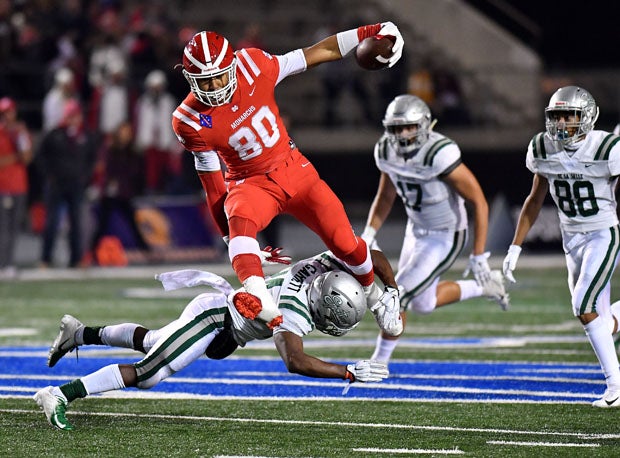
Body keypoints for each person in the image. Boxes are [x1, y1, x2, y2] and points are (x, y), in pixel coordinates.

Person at [171, 23, 404, 329]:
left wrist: (371, 30)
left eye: (219, 77)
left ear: (233, 64)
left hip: (293, 168)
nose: (214, 87)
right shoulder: (188, 120)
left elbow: (320, 51)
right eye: (205, 81)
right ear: (190, 79)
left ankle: (375, 296)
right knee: (237, 216)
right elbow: (213, 183)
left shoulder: (254, 64)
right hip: (250, 183)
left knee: (346, 244)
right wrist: (233, 241)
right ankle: (257, 297)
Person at [34, 249, 402, 430]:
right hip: (215, 319)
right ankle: (59, 394)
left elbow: (368, 253)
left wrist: (389, 291)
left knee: (154, 343)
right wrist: (347, 372)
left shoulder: (322, 265)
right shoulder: (293, 309)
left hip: (222, 317)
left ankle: (79, 333)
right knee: (151, 372)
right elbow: (295, 361)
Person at [361, 94, 510, 364]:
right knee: (424, 304)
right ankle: (486, 287)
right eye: (397, 128)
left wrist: (478, 255)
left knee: (400, 294)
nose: (403, 134)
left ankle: (379, 364)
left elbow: (478, 201)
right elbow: (386, 196)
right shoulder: (385, 150)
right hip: (415, 229)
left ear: (425, 126)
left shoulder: (438, 153)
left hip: (446, 234)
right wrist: (369, 232)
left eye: (409, 127)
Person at [502, 86, 620, 408]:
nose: (563, 122)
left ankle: (615, 387)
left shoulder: (607, 147)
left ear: (587, 117)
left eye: (570, 115)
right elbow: (535, 198)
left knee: (584, 305)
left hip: (601, 234)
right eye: (557, 116)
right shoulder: (542, 146)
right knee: (601, 322)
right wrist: (515, 247)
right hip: (571, 241)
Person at [36, 100, 100, 268]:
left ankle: (76, 259)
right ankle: (45, 259)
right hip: (56, 184)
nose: (73, 119)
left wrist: (85, 176)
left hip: (76, 185)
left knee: (76, 223)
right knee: (52, 222)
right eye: (70, 116)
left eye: (76, 115)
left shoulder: (85, 135)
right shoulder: (54, 134)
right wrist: (49, 175)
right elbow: (41, 156)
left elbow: (92, 159)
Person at [134, 69, 183, 194]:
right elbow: (139, 121)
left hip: (165, 141)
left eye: (158, 87)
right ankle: (151, 190)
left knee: (167, 170)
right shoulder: (143, 102)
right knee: (150, 171)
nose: (156, 90)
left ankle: (167, 191)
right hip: (149, 142)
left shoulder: (169, 101)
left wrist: (176, 140)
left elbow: (175, 121)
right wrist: (139, 139)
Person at [0, 97, 32, 278]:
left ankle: (9, 263)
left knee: (13, 228)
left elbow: (26, 158)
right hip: (2, 186)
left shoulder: (20, 133)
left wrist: (19, 139)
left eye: (10, 112)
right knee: (2, 227)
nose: (7, 117)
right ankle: (2, 263)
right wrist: (15, 156)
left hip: (19, 186)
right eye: (4, 113)